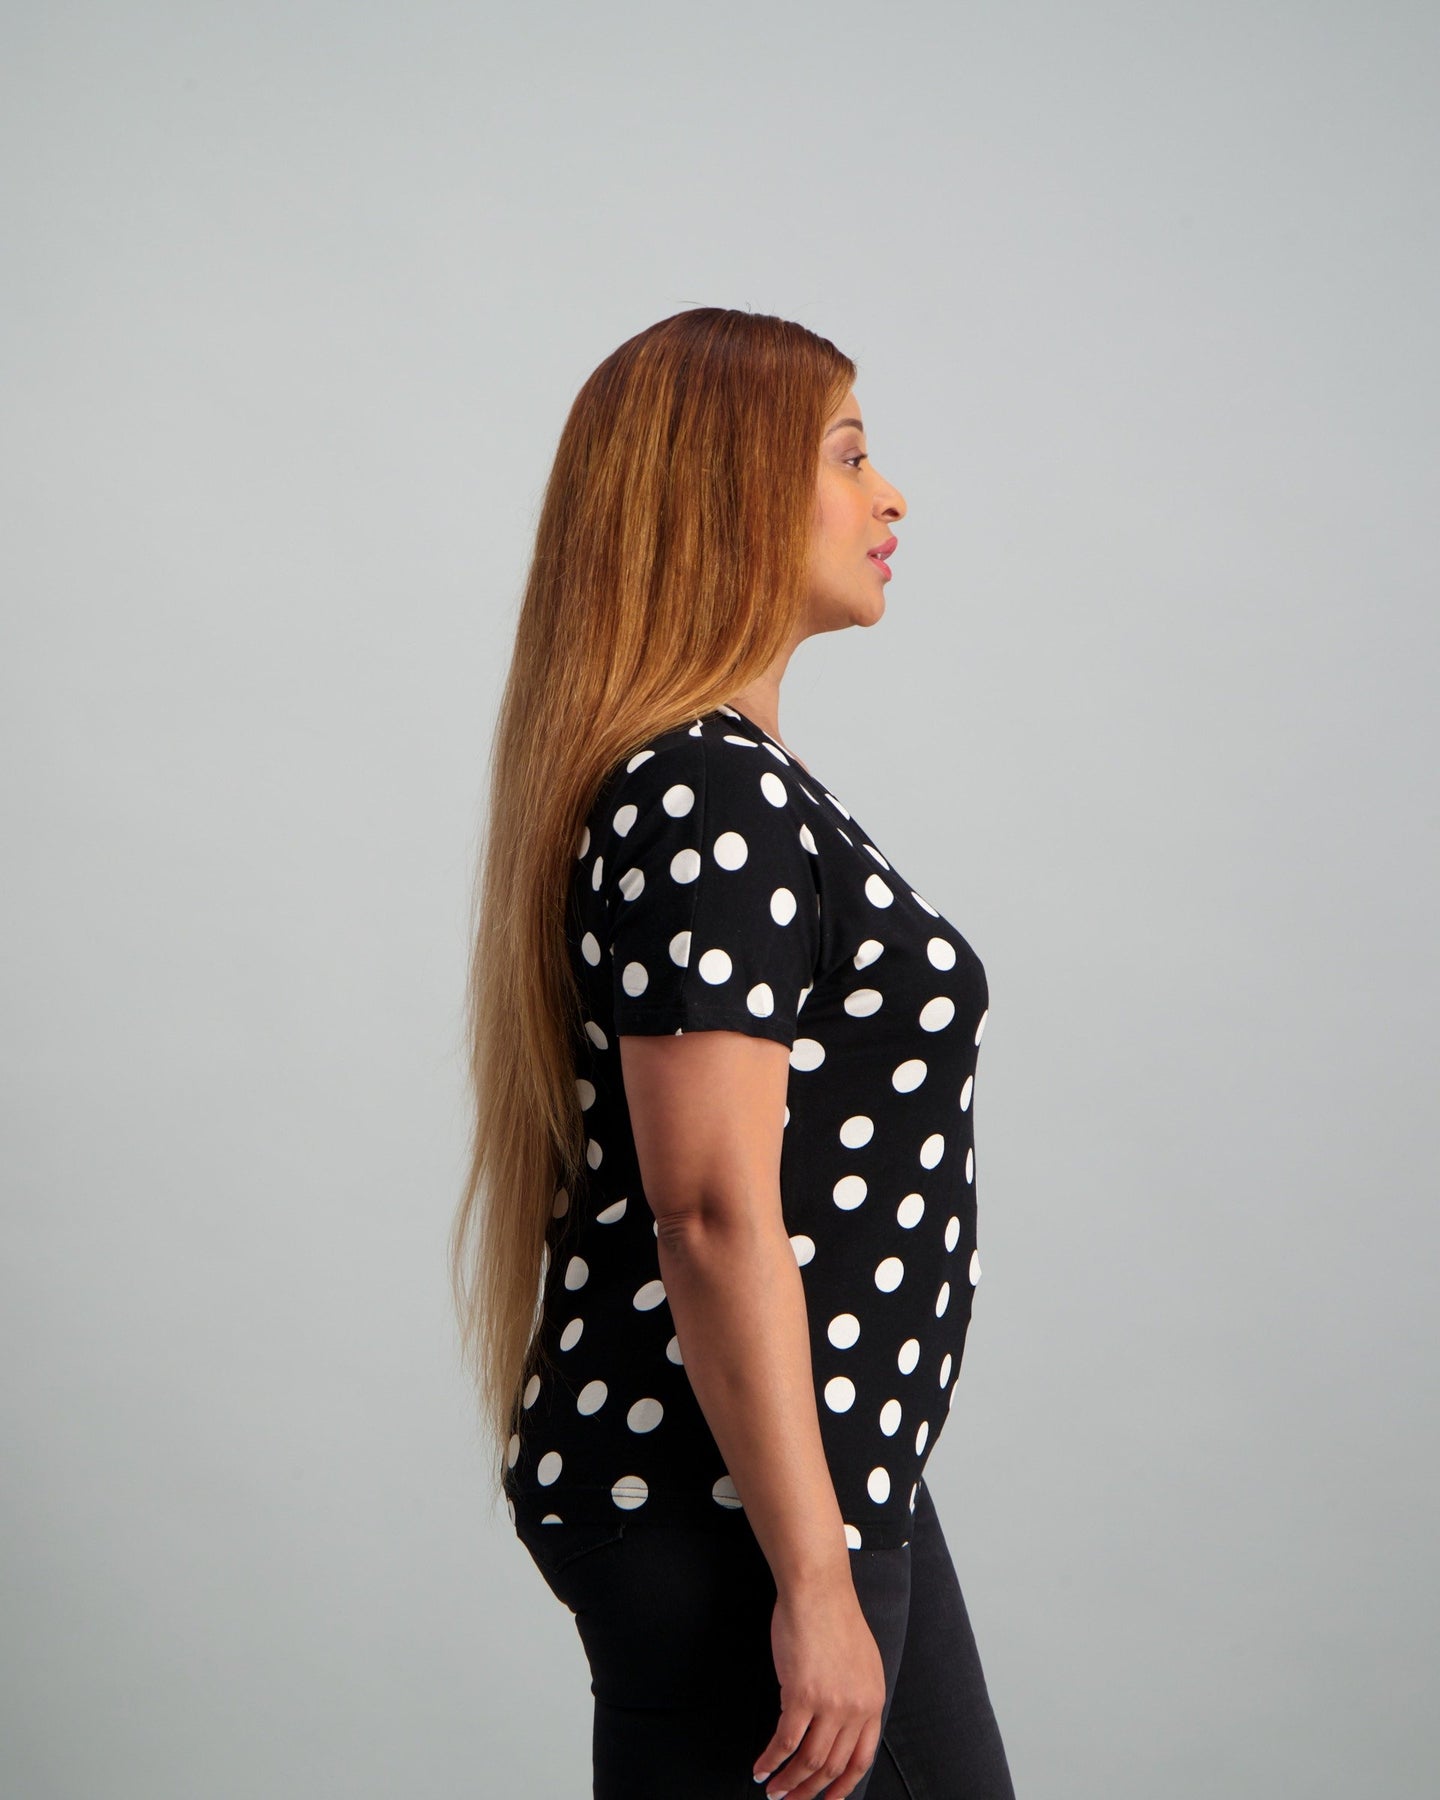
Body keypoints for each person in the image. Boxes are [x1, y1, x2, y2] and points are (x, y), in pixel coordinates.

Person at [451, 306, 1017, 1799]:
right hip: (740, 1512)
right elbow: (706, 1212)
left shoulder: (734, 783)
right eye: (848, 455)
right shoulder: (708, 795)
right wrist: (814, 1584)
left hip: (803, 1486)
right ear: (731, 495)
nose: (892, 496)